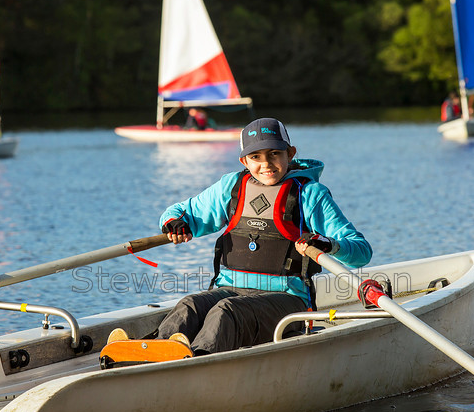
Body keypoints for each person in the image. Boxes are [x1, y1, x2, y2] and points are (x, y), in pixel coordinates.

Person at [155, 117, 372, 355]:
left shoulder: (310, 194)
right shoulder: (231, 187)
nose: (266, 164)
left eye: (274, 154)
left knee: (226, 311)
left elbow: (361, 252)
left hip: (288, 300)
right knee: (190, 306)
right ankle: (152, 354)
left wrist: (328, 244)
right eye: (256, 157)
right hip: (231, 289)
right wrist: (174, 223)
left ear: (290, 153)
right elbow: (178, 212)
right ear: (244, 161)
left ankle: (192, 361)